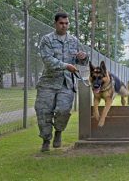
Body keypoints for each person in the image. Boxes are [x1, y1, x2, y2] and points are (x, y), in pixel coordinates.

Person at [35, 12, 89, 152]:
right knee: (43, 111)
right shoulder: (47, 39)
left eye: (66, 23)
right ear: (55, 23)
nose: (64, 26)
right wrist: (66, 66)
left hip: (66, 83)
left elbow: (82, 61)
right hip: (48, 83)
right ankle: (46, 139)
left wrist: (83, 57)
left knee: (63, 110)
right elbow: (47, 60)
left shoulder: (74, 40)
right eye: (61, 23)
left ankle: (58, 133)